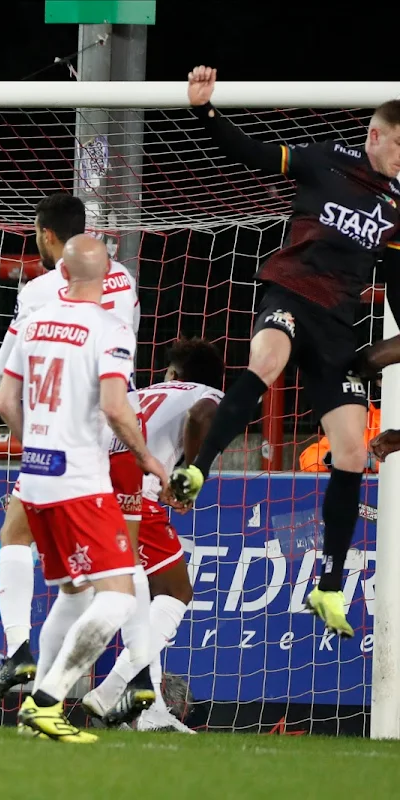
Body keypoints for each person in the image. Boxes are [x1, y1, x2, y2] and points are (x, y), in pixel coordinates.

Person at [168, 66, 400, 639]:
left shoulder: (398, 207)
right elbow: (249, 151)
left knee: (350, 454)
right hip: (290, 294)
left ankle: (328, 587)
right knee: (266, 362)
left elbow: (395, 278)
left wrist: (388, 349)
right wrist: (205, 110)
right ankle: (198, 469)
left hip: (337, 329)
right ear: (376, 135)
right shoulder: (326, 161)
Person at [0, 233, 168, 743]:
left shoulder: (33, 322)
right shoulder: (110, 328)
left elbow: (7, 403)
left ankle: (33, 703)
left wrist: (36, 446)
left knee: (73, 592)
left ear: (62, 274)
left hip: (36, 478)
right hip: (80, 480)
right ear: (110, 273)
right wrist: (147, 457)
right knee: (117, 595)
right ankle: (49, 702)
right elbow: (116, 407)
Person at [0, 192, 141, 702]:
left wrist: (31, 442)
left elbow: (8, 379)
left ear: (47, 236)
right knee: (103, 574)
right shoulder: (125, 280)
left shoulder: (42, 292)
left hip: (67, 441)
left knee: (14, 535)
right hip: (123, 428)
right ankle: (89, 689)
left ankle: (21, 651)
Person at [84, 337, 225, 733]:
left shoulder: (143, 393)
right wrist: (190, 476)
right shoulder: (211, 394)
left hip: (86, 491)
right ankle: (111, 691)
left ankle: (150, 709)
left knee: (143, 602)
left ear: (173, 374)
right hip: (129, 498)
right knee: (175, 593)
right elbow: (201, 416)